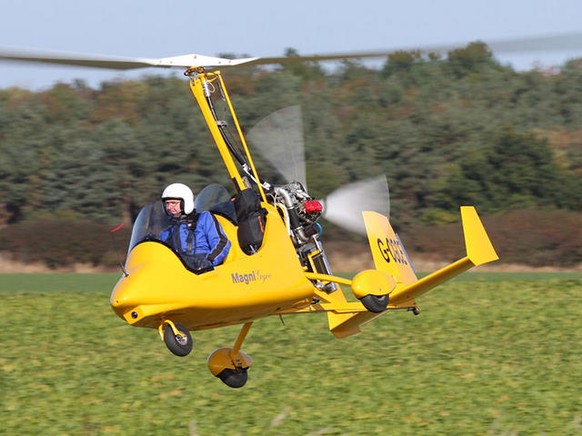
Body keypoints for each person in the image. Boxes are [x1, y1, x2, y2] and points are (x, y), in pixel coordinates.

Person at [159, 182, 230, 272]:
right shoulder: (166, 233)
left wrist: (209, 262)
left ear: (185, 202)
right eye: (167, 204)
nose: (169, 207)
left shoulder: (204, 218)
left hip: (204, 270)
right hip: (180, 273)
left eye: (173, 203)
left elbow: (222, 242)